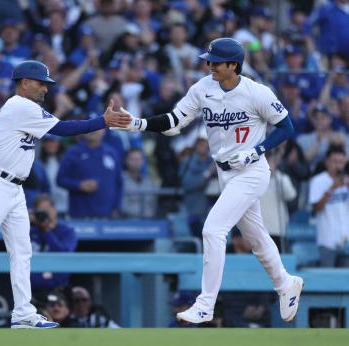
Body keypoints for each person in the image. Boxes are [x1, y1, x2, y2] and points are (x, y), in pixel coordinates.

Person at [113, 38, 303, 324]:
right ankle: (285, 282)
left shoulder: (257, 92)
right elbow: (175, 121)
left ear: (233, 65)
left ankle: (205, 304)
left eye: (216, 62)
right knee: (256, 237)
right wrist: (138, 123)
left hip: (251, 171)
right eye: (209, 60)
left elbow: (286, 126)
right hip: (224, 172)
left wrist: (257, 150)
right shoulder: (203, 88)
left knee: (213, 230)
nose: (209, 65)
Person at [0, 60, 130, 329]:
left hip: (13, 187)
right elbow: (61, 129)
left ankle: (23, 313)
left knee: (22, 250)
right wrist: (102, 121)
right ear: (25, 83)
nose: (45, 88)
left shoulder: (27, 108)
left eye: (47, 84)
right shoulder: (20, 106)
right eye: (41, 83)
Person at [309, 146, 349, 267]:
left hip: (346, 240)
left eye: (341, 162)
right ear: (327, 162)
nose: (338, 166)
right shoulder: (318, 181)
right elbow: (315, 209)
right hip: (327, 241)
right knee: (326, 279)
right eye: (334, 161)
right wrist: (331, 189)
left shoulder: (347, 181)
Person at [30, 194, 77, 291]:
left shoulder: (66, 231)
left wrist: (46, 231)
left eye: (47, 209)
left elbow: (64, 254)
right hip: (31, 288)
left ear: (54, 210)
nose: (45, 213)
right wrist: (24, 221)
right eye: (41, 211)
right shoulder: (29, 231)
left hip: (58, 288)